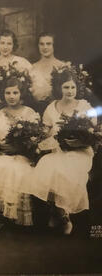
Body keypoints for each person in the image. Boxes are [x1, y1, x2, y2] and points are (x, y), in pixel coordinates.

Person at [30, 69, 97, 235]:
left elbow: (92, 134)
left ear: (77, 88)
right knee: (47, 165)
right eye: (66, 87)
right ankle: (60, 214)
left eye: (72, 87)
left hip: (81, 152)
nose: (69, 91)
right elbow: (44, 133)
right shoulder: (51, 108)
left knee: (66, 170)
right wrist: (43, 139)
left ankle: (61, 215)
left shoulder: (84, 106)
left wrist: (79, 141)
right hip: (58, 150)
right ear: (59, 88)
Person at [0, 77, 39, 229]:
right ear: (3, 94)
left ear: (21, 94)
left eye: (15, 92)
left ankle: (11, 215)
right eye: (8, 93)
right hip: (2, 154)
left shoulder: (29, 113)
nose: (11, 96)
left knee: (15, 170)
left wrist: (17, 149)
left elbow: (33, 140)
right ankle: (0, 213)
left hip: (21, 155)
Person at [0, 29, 32, 111]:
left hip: (17, 107)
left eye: (9, 43)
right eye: (2, 43)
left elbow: (30, 87)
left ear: (13, 45)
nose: (5, 47)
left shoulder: (22, 63)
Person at [29, 32, 65, 114]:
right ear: (38, 46)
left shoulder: (62, 66)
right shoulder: (32, 68)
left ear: (54, 45)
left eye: (48, 44)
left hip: (57, 110)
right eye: (41, 44)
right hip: (36, 110)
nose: (45, 47)